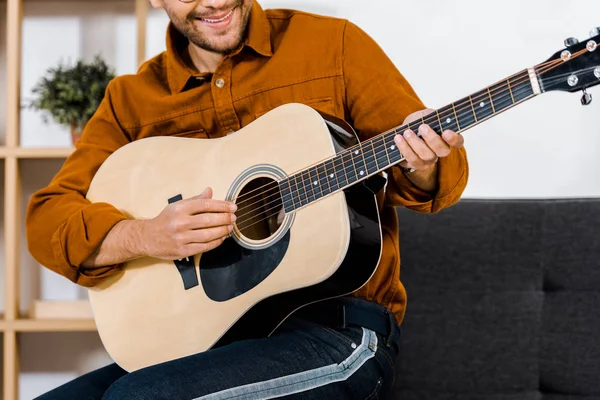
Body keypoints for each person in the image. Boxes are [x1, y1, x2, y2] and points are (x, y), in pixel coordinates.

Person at [26, 0, 468, 398]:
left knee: (139, 398)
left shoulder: (334, 46)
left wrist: (423, 162)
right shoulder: (131, 101)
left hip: (340, 332)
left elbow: (432, 185)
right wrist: (144, 236)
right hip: (201, 343)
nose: (215, 2)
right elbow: (47, 219)